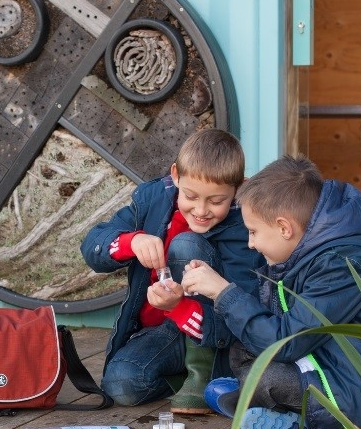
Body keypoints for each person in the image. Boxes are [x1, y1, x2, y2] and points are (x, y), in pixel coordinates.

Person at [182, 155, 361, 429]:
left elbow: (286, 341)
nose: (251, 243)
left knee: (265, 377)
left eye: (254, 232)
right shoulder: (313, 250)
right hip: (344, 367)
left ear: (284, 228)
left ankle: (297, 423)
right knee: (244, 349)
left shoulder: (343, 264)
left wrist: (223, 292)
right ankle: (266, 403)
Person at [80, 128, 264, 412]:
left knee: (186, 245)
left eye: (216, 201)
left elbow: (240, 314)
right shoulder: (153, 200)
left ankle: (204, 375)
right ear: (176, 175)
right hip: (166, 330)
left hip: (216, 337)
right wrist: (132, 241)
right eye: (190, 195)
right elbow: (93, 245)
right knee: (121, 384)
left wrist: (180, 306)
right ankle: (186, 378)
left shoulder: (246, 228)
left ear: (238, 189)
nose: (201, 210)